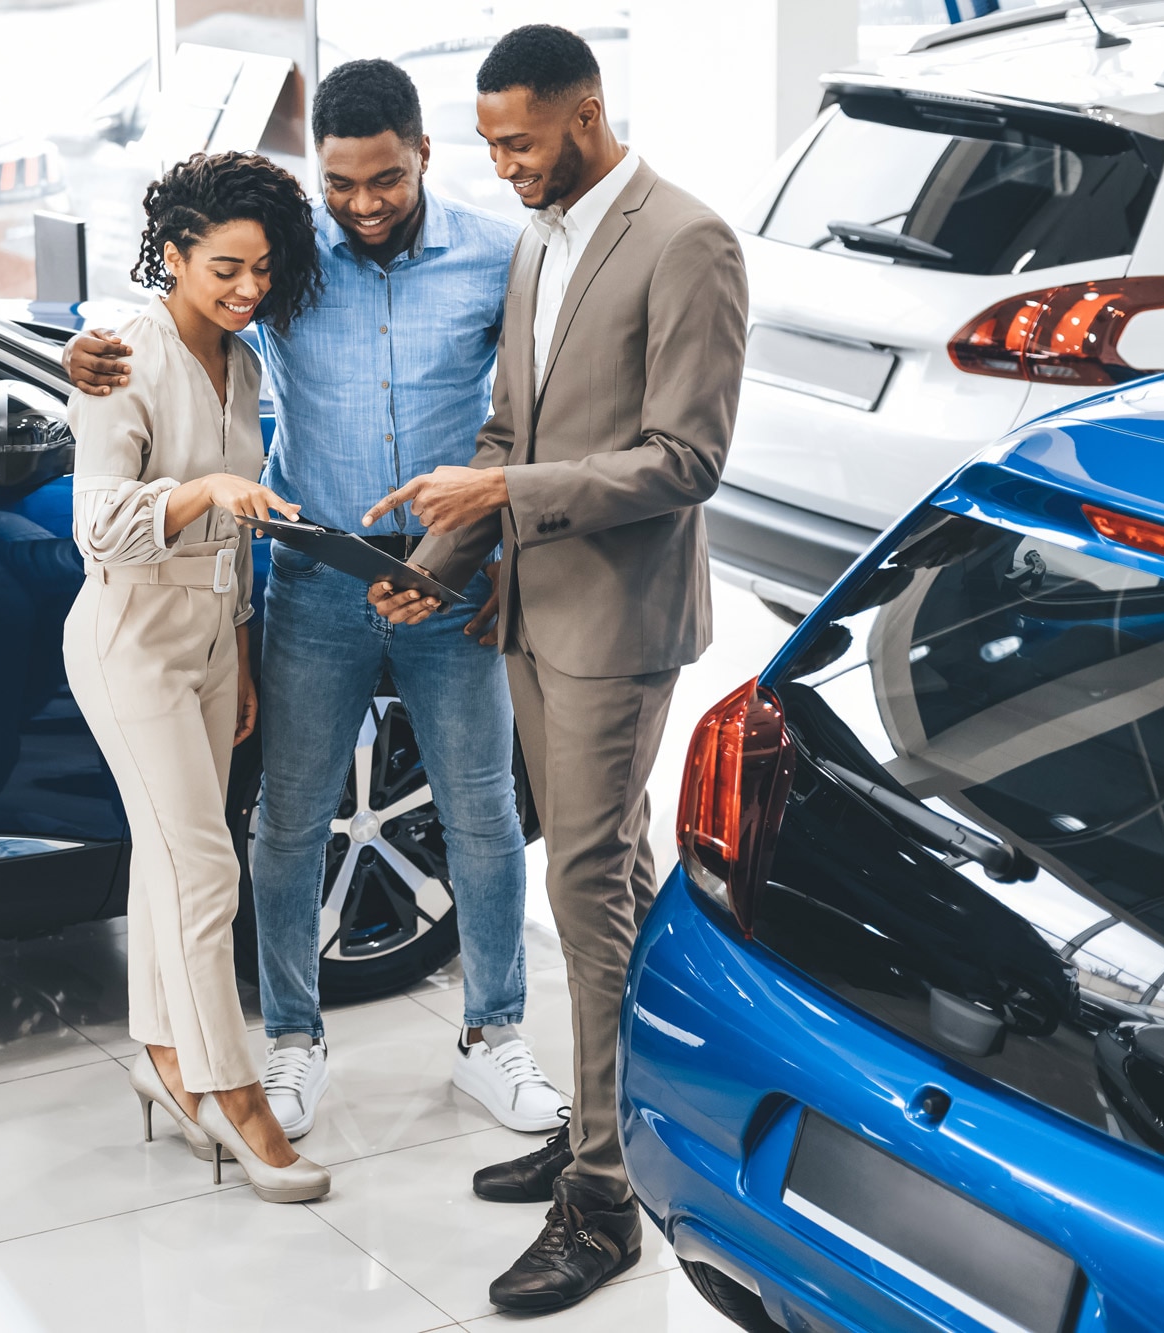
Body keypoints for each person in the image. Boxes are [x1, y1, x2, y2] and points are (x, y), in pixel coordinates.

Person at [64, 60, 567, 1143]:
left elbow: (523, 421)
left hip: (447, 575)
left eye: (383, 178)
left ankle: (493, 1036)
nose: (364, 203)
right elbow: (181, 308)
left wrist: (471, 551)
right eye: (341, 183)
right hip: (311, 575)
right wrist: (80, 347)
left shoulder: (498, 257)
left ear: (423, 152)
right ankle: (293, 1041)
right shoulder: (287, 268)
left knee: (480, 812)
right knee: (286, 822)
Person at [363, 25, 749, 1313]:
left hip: (615, 626)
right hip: (527, 609)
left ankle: (604, 1197)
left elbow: (683, 461)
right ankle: (613, 1117)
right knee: (611, 878)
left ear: (586, 112)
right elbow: (504, 429)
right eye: (487, 147)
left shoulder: (685, 240)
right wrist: (437, 562)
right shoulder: (542, 235)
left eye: (518, 143)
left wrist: (505, 489)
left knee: (583, 885)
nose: (502, 166)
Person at [63, 150, 331, 1204]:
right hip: (131, 637)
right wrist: (201, 487)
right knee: (205, 869)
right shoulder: (124, 355)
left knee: (166, 859)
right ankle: (229, 1088)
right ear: (170, 252)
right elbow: (99, 527)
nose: (247, 288)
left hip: (215, 638)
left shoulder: (245, 361)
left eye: (262, 269)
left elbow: (240, 537)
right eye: (224, 266)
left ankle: (162, 1057)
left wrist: (246, 652)